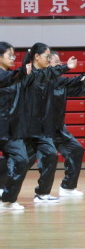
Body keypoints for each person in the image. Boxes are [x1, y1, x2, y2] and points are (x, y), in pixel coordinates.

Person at [18, 43, 77, 203]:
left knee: (50, 155)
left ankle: (42, 194)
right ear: (37, 57)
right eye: (47, 56)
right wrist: (66, 67)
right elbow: (44, 75)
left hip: (40, 128)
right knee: (19, 161)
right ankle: (5, 190)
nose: (50, 59)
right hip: (24, 128)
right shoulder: (29, 73)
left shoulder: (46, 76)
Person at [46, 52, 85, 197]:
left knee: (76, 150)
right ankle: (4, 187)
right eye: (56, 62)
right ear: (46, 64)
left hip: (57, 129)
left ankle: (68, 187)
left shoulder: (61, 83)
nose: (59, 64)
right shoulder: (40, 81)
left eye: (60, 62)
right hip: (38, 130)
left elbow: (79, 89)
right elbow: (73, 82)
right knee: (22, 159)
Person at [0, 42, 31, 210]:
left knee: (22, 160)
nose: (13, 58)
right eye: (9, 55)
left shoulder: (12, 76)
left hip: (11, 130)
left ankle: (7, 199)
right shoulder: (8, 77)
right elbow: (10, 78)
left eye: (14, 55)